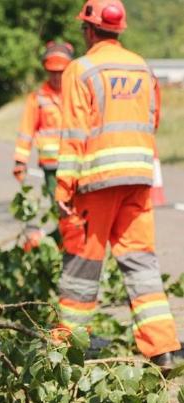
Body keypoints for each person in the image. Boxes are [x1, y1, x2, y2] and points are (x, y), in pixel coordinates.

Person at [56, 0, 180, 368]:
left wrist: (64, 187)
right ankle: (163, 348)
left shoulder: (80, 69)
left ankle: (69, 349)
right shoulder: (142, 66)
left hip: (96, 182)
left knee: (81, 269)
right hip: (138, 178)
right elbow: (153, 120)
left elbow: (75, 132)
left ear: (89, 30)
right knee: (141, 264)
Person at [14, 42, 75, 197]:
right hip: (51, 165)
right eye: (53, 72)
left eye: (61, 72)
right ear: (46, 71)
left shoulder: (76, 95)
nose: (57, 77)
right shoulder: (38, 98)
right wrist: (20, 162)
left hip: (75, 164)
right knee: (58, 204)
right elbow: (26, 132)